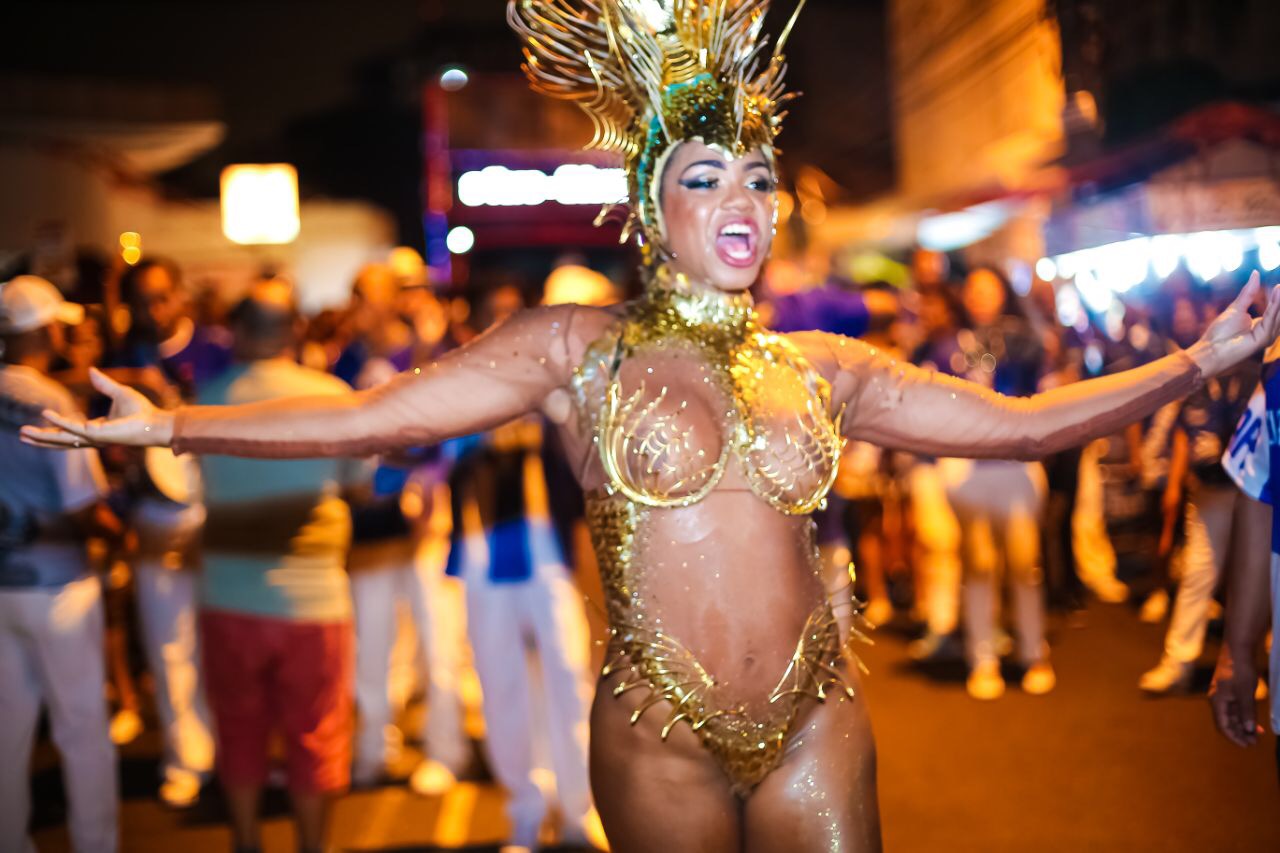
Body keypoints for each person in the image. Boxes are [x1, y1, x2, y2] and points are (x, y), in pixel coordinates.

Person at [22, 3, 1280, 849]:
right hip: (656, 734)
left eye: (756, 179)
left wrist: (1188, 361)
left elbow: (1020, 427)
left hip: (814, 722)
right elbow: (368, 417)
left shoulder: (828, 363)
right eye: (703, 177)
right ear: (647, 208)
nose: (743, 200)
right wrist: (166, 425)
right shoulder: (575, 353)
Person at [183, 281, 357, 853]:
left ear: (236, 331)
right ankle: (311, 846)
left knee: (238, 731)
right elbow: (359, 484)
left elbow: (189, 489)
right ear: (293, 330)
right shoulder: (332, 396)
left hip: (226, 595)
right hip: (312, 601)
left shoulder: (204, 401)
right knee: (315, 735)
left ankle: (247, 841)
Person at [0, 276, 120, 852]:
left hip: (3, 584)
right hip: (59, 586)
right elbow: (82, 507)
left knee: (7, 731)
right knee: (81, 728)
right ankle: (95, 843)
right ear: (46, 329)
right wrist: (122, 535)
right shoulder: (53, 400)